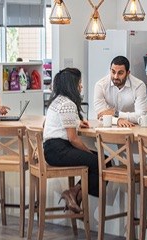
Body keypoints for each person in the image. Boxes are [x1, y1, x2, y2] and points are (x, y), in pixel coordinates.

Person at [43, 68, 99, 213]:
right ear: (72, 85)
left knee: (104, 159)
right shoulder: (68, 104)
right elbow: (73, 139)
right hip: (59, 150)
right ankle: (74, 195)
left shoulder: (57, 101)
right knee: (100, 161)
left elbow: (59, 124)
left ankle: (73, 193)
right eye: (79, 83)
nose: (81, 86)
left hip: (52, 150)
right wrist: (88, 152)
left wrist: (77, 122)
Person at [93, 56, 147, 127]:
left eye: (120, 73)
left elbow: (141, 116)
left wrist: (115, 113)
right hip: (107, 128)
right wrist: (118, 120)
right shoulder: (100, 85)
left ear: (128, 73)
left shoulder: (139, 86)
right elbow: (101, 115)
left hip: (132, 128)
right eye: (113, 72)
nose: (115, 76)